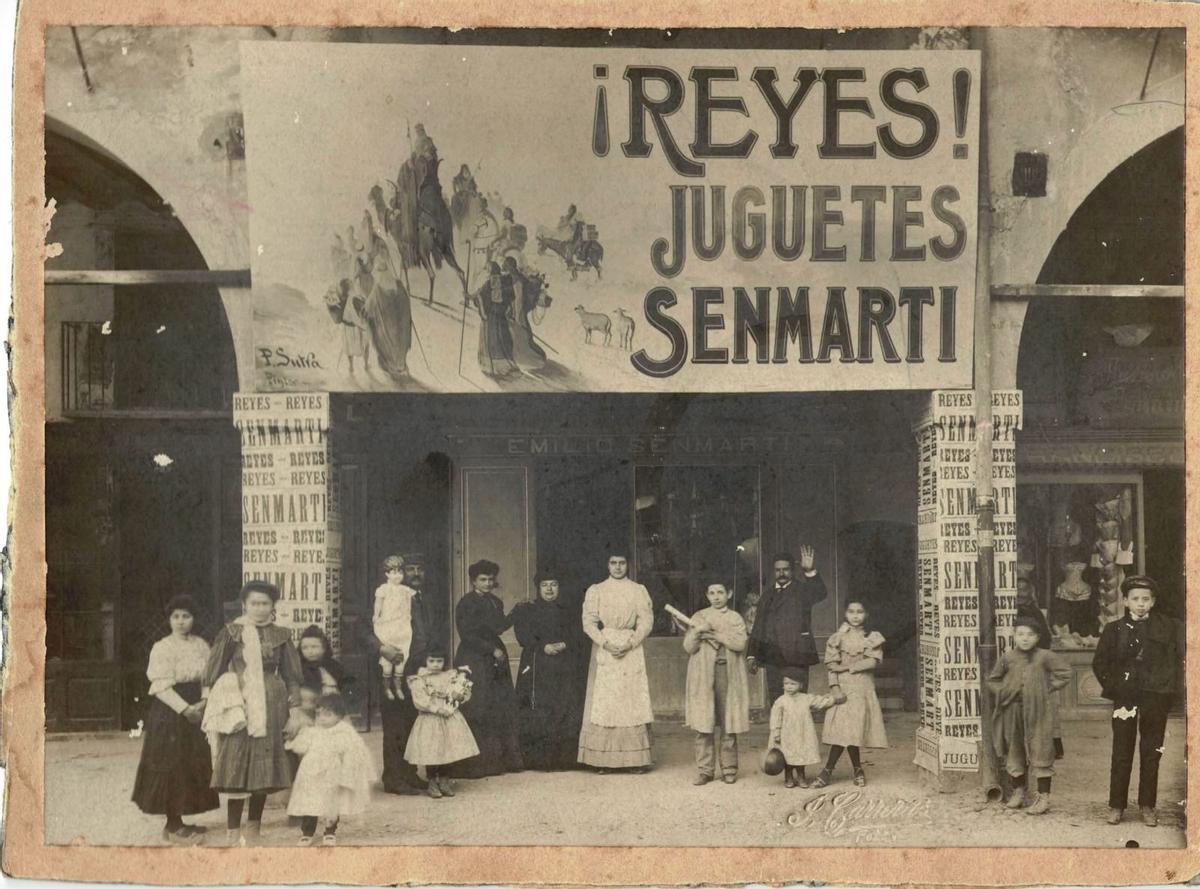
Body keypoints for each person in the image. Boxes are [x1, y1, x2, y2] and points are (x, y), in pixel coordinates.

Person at [203, 580, 304, 846]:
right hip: (239, 702)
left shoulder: (281, 635)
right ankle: (232, 832)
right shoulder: (232, 632)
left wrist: (294, 711)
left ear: (273, 607)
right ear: (244, 605)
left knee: (263, 766)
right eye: (254, 603)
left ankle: (254, 829)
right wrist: (212, 699)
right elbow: (213, 669)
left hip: (273, 703)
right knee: (237, 762)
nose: (260, 609)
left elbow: (293, 676)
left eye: (265, 604)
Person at [1092, 575, 1185, 827]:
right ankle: (1116, 806)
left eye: (1146, 599)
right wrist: (1116, 688)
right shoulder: (1114, 630)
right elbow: (1100, 663)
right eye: (1135, 599)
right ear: (1125, 601)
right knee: (1122, 751)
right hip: (1125, 698)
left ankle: (1147, 806)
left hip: (1156, 697)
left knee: (1151, 751)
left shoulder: (1169, 627)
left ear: (1153, 601)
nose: (1141, 604)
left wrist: (1168, 690)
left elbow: (1178, 661)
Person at [131, 595, 220, 844]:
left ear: (194, 619)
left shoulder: (202, 645)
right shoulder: (163, 647)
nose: (181, 622)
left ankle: (181, 819)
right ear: (169, 620)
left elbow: (208, 677)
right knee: (173, 763)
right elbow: (160, 686)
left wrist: (203, 703)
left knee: (192, 763)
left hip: (196, 707)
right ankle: (172, 825)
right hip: (170, 711)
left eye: (186, 616)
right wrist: (185, 709)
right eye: (176, 617)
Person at [986, 616, 1072, 815]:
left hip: (1039, 710)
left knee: (1041, 748)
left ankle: (1043, 798)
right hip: (1012, 710)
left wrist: (1047, 688)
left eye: (1030, 635)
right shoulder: (1007, 657)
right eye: (1020, 634)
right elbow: (993, 680)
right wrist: (1004, 690)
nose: (1025, 639)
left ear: (1038, 637)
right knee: (1014, 749)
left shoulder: (1045, 656)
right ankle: (1019, 791)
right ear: (1014, 635)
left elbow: (1065, 673)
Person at [578, 552, 655, 772]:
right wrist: (605, 642)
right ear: (607, 564)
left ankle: (635, 761)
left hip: (631, 648)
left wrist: (631, 642)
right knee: (607, 703)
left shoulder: (638, 590)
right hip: (607, 647)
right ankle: (604, 761)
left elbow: (646, 621)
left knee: (631, 702)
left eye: (622, 563)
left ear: (628, 565)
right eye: (613, 563)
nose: (618, 567)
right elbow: (589, 622)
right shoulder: (597, 590)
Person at [366, 551, 432, 796]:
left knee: (412, 721)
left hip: (416, 667)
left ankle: (409, 772)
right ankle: (393, 777)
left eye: (419, 569)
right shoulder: (385, 594)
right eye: (410, 569)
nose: (415, 574)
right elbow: (366, 627)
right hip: (392, 663)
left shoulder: (419, 597)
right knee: (394, 723)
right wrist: (382, 648)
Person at [451, 559, 523, 778]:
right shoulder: (466, 602)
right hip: (474, 655)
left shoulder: (494, 601)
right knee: (477, 706)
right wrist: (491, 650)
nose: (488, 583)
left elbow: (499, 627)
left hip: (494, 656)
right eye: (483, 579)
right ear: (474, 581)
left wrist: (516, 612)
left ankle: (496, 762)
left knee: (497, 705)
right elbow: (467, 634)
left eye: (491, 579)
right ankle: (473, 765)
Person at [510, 571, 584, 770]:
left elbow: (578, 633)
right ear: (538, 588)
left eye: (554, 584)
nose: (550, 589)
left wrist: (565, 643)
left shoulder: (568, 610)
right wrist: (543, 646)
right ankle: (537, 760)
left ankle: (564, 760)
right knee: (538, 709)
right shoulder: (527, 609)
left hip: (563, 665)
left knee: (564, 707)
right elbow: (523, 634)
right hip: (537, 663)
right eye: (545, 585)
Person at [813, 601, 889, 788]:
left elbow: (871, 662)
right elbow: (831, 665)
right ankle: (856, 769)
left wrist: (847, 666)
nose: (855, 616)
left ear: (866, 614)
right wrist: (834, 686)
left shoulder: (871, 637)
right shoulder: (837, 637)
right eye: (851, 611)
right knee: (843, 731)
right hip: (843, 688)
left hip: (862, 687)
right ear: (845, 613)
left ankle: (828, 771)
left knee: (851, 731)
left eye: (860, 612)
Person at [682, 582, 750, 785]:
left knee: (728, 724)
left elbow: (739, 644)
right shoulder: (699, 616)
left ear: (728, 593)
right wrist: (696, 632)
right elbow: (688, 648)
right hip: (704, 675)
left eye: (720, 592)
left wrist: (714, 634)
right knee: (704, 724)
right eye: (711, 592)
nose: (716, 596)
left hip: (727, 673)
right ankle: (705, 770)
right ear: (707, 595)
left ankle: (729, 768)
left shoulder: (734, 617)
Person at [285, 692, 375, 846]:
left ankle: (330, 831)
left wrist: (348, 770)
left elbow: (356, 750)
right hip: (311, 774)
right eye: (319, 714)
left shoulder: (345, 732)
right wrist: (292, 742)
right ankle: (307, 832)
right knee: (310, 802)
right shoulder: (312, 731)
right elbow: (302, 746)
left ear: (339, 716)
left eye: (328, 715)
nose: (322, 718)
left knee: (332, 803)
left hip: (333, 774)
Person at [747, 547, 828, 703]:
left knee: (799, 702)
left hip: (798, 653)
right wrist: (752, 654)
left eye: (786, 570)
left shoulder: (803, 590)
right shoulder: (767, 595)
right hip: (772, 656)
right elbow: (758, 626)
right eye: (778, 570)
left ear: (792, 570)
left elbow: (820, 593)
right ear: (774, 571)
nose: (782, 573)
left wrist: (810, 571)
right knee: (777, 701)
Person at [405, 647, 480, 798]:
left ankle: (445, 779)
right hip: (430, 718)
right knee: (432, 750)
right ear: (425, 662)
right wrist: (436, 709)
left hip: (449, 717)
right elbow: (420, 700)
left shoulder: (450, 676)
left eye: (439, 661)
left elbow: (460, 693)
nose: (435, 664)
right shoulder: (420, 679)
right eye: (431, 661)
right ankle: (432, 781)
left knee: (449, 748)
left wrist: (458, 698)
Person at [1016, 578, 1064, 758]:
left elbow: (1045, 639)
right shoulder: (1014, 611)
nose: (1021, 593)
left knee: (1046, 706)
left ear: (1030, 592)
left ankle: (1051, 745)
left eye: (1024, 590)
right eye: (1018, 589)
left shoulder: (1035, 612)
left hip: (1036, 663)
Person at [769, 667, 833, 788]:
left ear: (801, 685)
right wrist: (776, 732)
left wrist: (833, 699)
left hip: (802, 733)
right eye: (786, 683)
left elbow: (820, 702)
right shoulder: (781, 701)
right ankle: (788, 777)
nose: (789, 686)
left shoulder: (805, 698)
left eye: (793, 684)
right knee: (787, 756)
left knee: (801, 756)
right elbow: (775, 718)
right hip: (786, 734)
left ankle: (801, 776)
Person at [374, 555, 418, 701]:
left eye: (400, 572)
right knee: (388, 663)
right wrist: (376, 615)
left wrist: (407, 618)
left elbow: (409, 607)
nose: (398, 575)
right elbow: (378, 605)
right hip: (388, 625)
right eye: (393, 572)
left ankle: (398, 687)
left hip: (403, 627)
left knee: (402, 659)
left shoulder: (406, 590)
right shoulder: (383, 589)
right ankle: (387, 688)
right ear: (387, 574)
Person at [474, 263, 520, 378]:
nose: (487, 272)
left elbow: (480, 295)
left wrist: (475, 300)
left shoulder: (489, 282)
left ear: (491, 270)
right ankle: (507, 364)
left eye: (488, 269)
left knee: (493, 339)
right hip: (501, 313)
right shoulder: (505, 280)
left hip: (493, 314)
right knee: (504, 338)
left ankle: (494, 368)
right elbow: (511, 298)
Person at [502, 256, 546, 372]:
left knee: (520, 334)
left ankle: (527, 359)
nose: (504, 267)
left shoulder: (517, 279)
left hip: (518, 312)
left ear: (510, 266)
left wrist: (516, 316)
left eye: (506, 265)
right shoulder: (515, 276)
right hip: (516, 311)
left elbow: (518, 299)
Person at [297, 624, 352, 695]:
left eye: (314, 647)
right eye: (304, 648)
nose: (309, 651)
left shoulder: (334, 666)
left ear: (324, 648)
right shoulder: (299, 668)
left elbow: (348, 687)